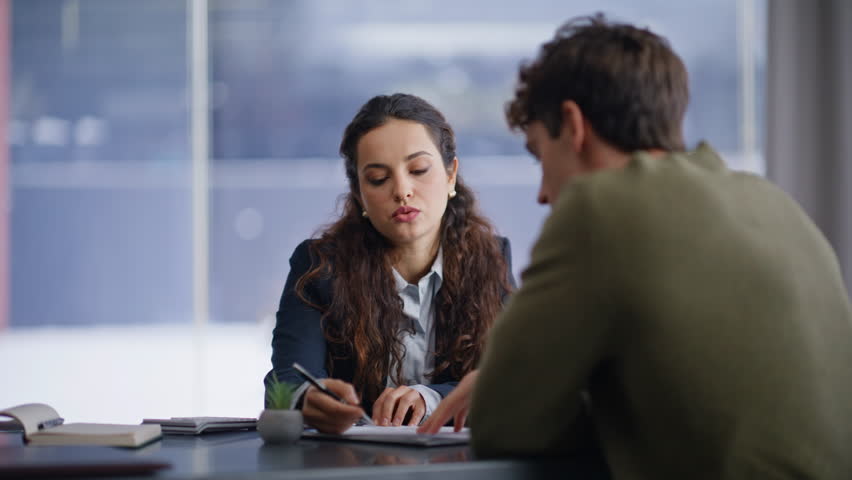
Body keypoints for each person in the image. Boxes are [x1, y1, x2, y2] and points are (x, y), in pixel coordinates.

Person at [420, 14, 852, 479]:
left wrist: (496, 388)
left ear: (573, 124)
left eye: (539, 153)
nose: (542, 193)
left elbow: (505, 426)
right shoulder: (771, 202)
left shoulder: (600, 208)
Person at [264, 93, 515, 434]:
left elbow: (510, 378)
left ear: (451, 174)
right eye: (379, 179)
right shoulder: (319, 266)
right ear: (359, 195)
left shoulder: (491, 258)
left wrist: (431, 398)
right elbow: (287, 380)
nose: (402, 190)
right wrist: (305, 399)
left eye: (419, 170)